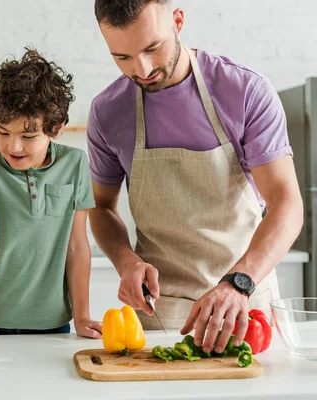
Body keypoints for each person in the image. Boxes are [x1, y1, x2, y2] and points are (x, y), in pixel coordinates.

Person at [88, 0, 303, 354]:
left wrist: (239, 283)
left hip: (246, 310)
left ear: (178, 20)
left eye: (152, 48)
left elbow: (287, 205)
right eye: (122, 57)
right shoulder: (108, 111)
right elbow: (102, 207)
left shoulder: (244, 92)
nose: (141, 70)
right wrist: (125, 260)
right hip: (161, 315)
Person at [0, 49, 102, 338]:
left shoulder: (75, 164)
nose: (13, 147)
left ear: (55, 129)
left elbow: (77, 246)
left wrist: (82, 317)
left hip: (54, 325)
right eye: (2, 131)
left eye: (28, 136)